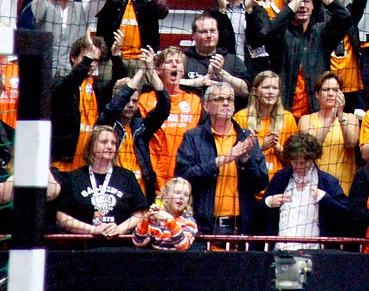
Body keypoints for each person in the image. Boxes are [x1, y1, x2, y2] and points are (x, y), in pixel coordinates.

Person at [175, 81, 269, 235]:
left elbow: (260, 183)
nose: (226, 103)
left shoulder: (246, 137)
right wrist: (224, 159)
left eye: (230, 99)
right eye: (219, 99)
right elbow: (183, 177)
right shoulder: (193, 137)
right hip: (203, 225)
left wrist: (246, 160)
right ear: (206, 106)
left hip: (240, 225)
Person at [54, 126, 148, 240]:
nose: (110, 146)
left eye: (113, 143)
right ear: (92, 146)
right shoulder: (74, 178)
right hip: (83, 245)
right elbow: (61, 218)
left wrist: (119, 229)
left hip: (119, 244)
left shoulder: (127, 177)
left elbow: (138, 215)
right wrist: (93, 230)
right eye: (104, 142)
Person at [261, 131, 352, 243]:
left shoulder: (327, 182)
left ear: (312, 158)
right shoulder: (280, 178)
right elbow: (258, 215)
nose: (298, 167)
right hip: (282, 250)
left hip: (315, 251)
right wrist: (268, 202)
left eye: (302, 163)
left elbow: (348, 215)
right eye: (294, 162)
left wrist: (326, 200)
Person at [130, 178, 198, 251]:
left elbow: (183, 246)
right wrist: (146, 219)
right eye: (177, 193)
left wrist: (170, 220)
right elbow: (138, 242)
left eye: (186, 195)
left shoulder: (189, 221)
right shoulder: (155, 218)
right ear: (165, 197)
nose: (181, 197)